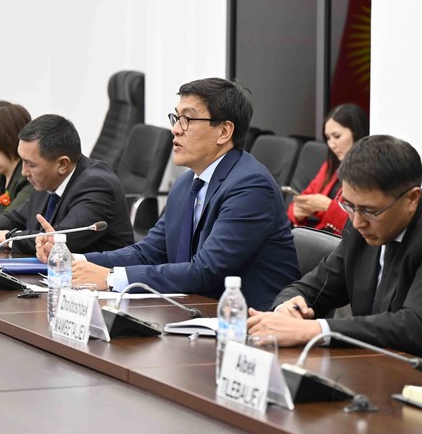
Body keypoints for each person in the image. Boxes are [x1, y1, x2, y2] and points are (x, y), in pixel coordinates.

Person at [37, 77, 299, 310]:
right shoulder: (187, 183)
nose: (175, 129)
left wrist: (108, 278)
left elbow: (205, 270)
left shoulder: (250, 186)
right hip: (194, 310)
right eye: (176, 118)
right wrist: (73, 259)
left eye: (188, 119)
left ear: (224, 131)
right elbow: (149, 252)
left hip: (250, 324)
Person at [248, 135, 422, 365]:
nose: (357, 221)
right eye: (348, 205)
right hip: (380, 367)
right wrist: (287, 311)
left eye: (369, 211)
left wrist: (312, 330)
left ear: (412, 199)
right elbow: (313, 288)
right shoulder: (361, 223)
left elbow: (413, 327)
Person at [0, 114, 133, 254]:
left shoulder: (97, 184)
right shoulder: (46, 180)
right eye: (22, 161)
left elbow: (60, 239)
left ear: (62, 164)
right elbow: (16, 218)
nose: (24, 172)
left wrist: (8, 237)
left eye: (30, 164)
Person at [287, 103, 368, 235]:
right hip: (319, 235)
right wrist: (298, 212)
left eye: (337, 136)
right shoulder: (331, 165)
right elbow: (304, 197)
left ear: (357, 133)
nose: (331, 144)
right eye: (328, 138)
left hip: (341, 240)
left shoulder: (369, 172)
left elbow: (362, 224)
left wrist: (327, 207)